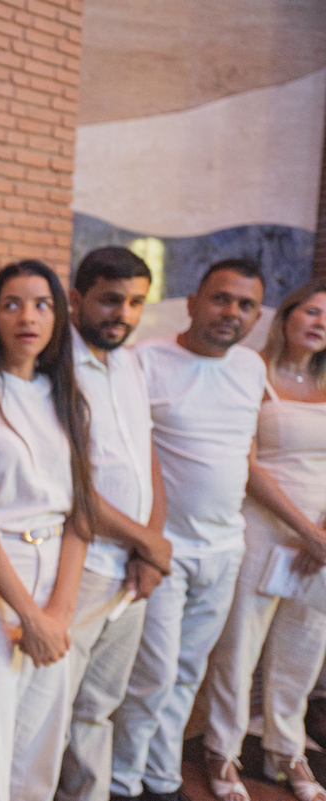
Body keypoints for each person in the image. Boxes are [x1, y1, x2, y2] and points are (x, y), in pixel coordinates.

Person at [110, 259, 267, 801]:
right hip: (165, 550)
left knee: (186, 673)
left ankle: (162, 778)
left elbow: (244, 455)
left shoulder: (251, 369)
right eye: (222, 299)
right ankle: (123, 782)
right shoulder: (144, 362)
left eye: (246, 305)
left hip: (226, 548)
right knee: (151, 675)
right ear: (193, 300)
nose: (232, 313)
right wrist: (142, 542)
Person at [0, 259, 96, 801]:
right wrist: (28, 614)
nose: (27, 317)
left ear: (59, 316)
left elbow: (79, 512)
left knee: (41, 739)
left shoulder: (65, 398)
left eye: (42, 304)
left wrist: (58, 612)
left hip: (56, 569)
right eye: (12, 303)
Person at [202, 280, 326, 801]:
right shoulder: (254, 372)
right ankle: (221, 751)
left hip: (322, 538)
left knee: (304, 645)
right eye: (314, 311)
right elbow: (246, 462)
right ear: (287, 315)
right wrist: (305, 529)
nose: (321, 323)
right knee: (240, 644)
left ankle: (287, 750)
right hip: (267, 527)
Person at [57, 247, 171, 801]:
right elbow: (72, 485)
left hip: (130, 566)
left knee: (99, 706)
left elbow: (148, 459)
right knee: (56, 706)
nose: (122, 313)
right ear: (77, 299)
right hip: (80, 567)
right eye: (109, 299)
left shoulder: (132, 363)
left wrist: (149, 550)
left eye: (134, 302)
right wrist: (150, 542)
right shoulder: (57, 367)